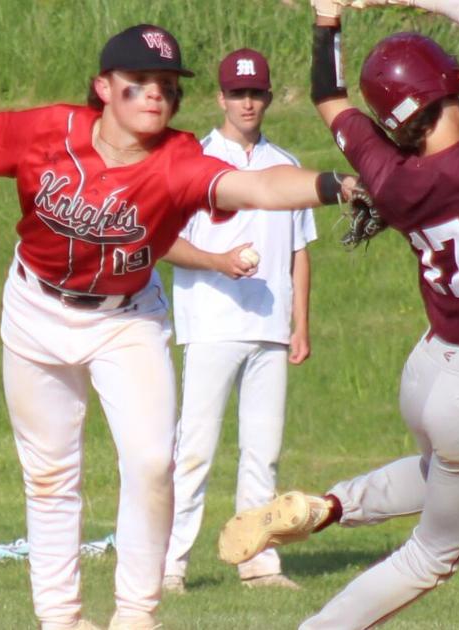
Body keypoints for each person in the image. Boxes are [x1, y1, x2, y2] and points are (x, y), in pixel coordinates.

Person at [0, 23, 353, 630]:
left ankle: (135, 615)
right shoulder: (49, 131)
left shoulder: (178, 161)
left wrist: (337, 185)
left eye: (167, 85)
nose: (155, 94)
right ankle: (62, 620)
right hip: (35, 310)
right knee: (49, 474)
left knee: (153, 463)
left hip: (125, 320)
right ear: (103, 87)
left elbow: (256, 185)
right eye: (138, 82)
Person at [216, 1, 459, 628]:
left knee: (440, 474)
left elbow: (327, 94)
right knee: (431, 557)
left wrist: (327, 18)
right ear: (450, 81)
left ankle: (333, 505)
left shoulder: (390, 174)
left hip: (430, 371)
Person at [158, 48, 317, 594]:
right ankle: (169, 566)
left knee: (262, 452)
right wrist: (218, 262)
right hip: (211, 324)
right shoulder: (194, 160)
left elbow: (299, 251)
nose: (248, 102)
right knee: (195, 451)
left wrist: (300, 323)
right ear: (220, 97)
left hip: (271, 329)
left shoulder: (288, 164)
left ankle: (257, 562)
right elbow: (163, 241)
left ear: (268, 98)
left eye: (257, 93)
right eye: (238, 93)